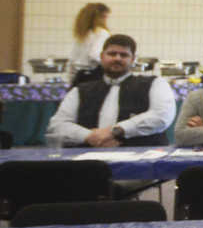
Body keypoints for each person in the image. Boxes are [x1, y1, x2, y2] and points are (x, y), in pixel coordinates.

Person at [47, 34, 176, 147]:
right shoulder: (80, 90)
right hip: (90, 162)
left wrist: (116, 130)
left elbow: (161, 116)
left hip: (144, 162)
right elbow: (57, 126)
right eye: (112, 54)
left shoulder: (155, 83)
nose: (117, 58)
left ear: (133, 59)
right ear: (102, 56)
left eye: (124, 55)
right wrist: (89, 136)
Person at [68, 2, 111, 82]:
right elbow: (94, 55)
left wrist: (71, 80)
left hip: (78, 75)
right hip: (92, 76)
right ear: (100, 17)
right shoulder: (102, 33)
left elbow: (72, 59)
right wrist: (110, 65)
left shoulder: (82, 34)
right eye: (105, 17)